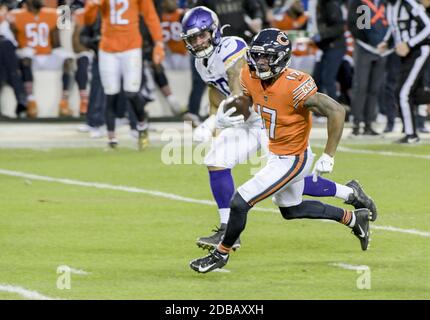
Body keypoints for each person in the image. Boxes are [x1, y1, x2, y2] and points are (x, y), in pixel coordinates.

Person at [181, 8, 377, 252]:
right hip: (246, 120)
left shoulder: (232, 46)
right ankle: (225, 228)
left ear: (214, 30)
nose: (198, 42)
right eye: (193, 38)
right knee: (216, 159)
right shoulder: (201, 63)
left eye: (202, 35)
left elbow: (236, 83)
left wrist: (214, 122)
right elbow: (215, 92)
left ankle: (349, 193)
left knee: (285, 183)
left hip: (265, 116)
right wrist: (214, 121)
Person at [83, 0, 165, 149]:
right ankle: (111, 138)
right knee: (110, 93)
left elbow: (150, 16)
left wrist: (158, 42)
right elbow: (87, 20)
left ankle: (142, 125)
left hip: (131, 47)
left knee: (132, 92)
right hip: (108, 48)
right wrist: (92, 5)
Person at [9, 0, 74, 118]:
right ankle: (31, 101)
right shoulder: (15, 15)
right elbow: (12, 42)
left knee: (67, 60)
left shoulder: (52, 13)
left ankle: (64, 102)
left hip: (47, 55)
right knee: (26, 57)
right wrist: (20, 50)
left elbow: (59, 36)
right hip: (29, 57)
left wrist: (65, 6)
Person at [378, 0, 430, 143]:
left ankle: (411, 134)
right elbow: (394, 27)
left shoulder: (409, 3)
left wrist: (409, 44)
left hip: (419, 51)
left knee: (403, 93)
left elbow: (428, 26)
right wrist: (386, 42)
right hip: (406, 55)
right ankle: (411, 132)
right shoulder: (390, 6)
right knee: (409, 93)